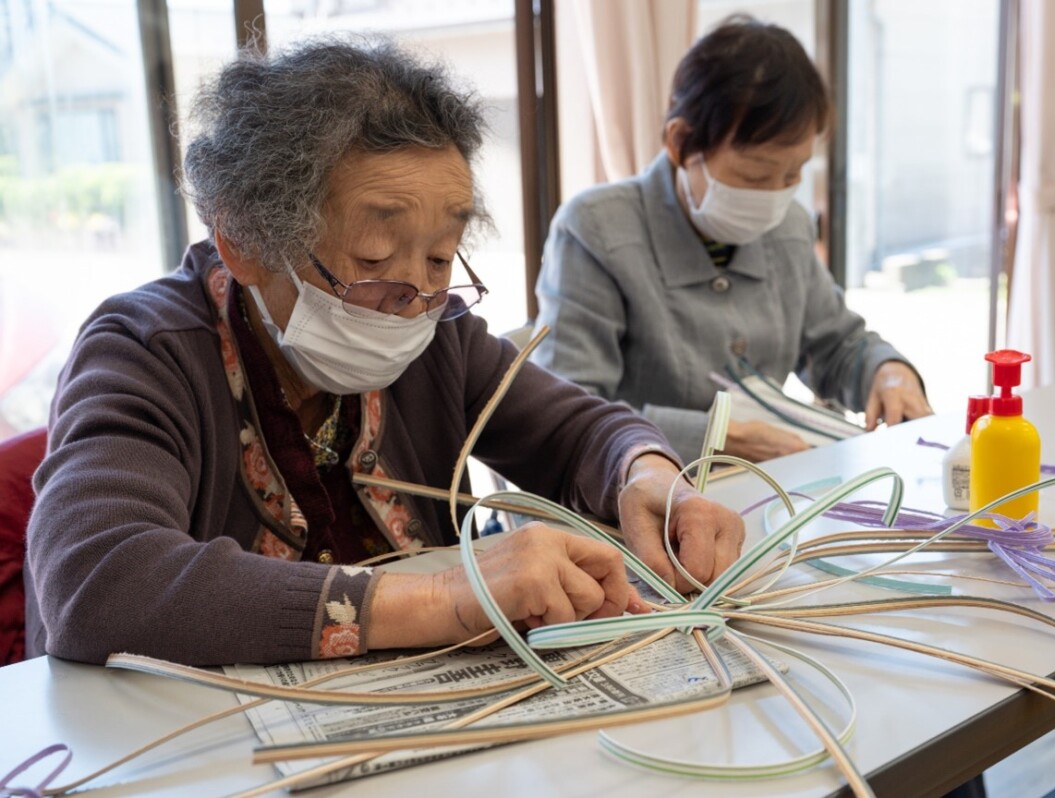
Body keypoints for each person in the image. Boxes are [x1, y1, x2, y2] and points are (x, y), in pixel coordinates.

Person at [24, 39, 744, 668]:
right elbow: (99, 581)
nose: (415, 300)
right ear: (244, 240)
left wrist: (648, 477)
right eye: (373, 258)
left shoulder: (441, 338)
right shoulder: (145, 351)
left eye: (439, 258)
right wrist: (446, 596)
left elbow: (582, 432)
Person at [533, 17, 931, 465]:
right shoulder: (595, 230)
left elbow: (836, 344)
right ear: (681, 143)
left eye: (793, 173)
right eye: (755, 175)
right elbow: (569, 411)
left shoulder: (789, 226)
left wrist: (886, 371)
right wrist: (711, 437)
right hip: (633, 501)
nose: (776, 194)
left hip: (760, 492)